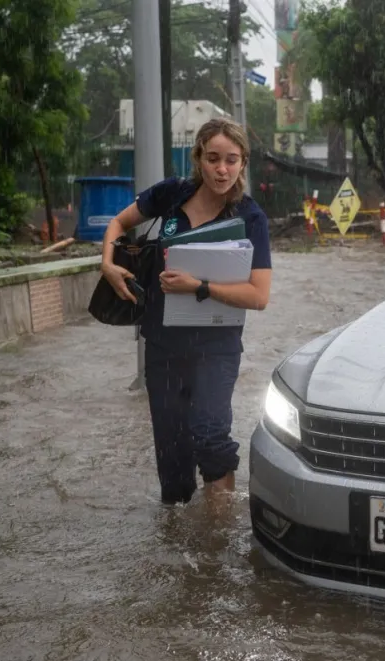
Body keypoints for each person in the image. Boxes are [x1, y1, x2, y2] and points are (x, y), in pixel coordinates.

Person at [99, 117, 272, 505]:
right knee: (173, 464)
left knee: (212, 440)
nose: (222, 169)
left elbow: (259, 296)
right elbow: (118, 223)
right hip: (162, 346)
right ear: (199, 158)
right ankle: (177, 542)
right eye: (213, 158)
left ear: (243, 162)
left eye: (231, 159)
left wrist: (200, 287)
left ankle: (213, 544)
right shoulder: (172, 195)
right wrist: (108, 263)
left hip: (217, 347)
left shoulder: (250, 218)